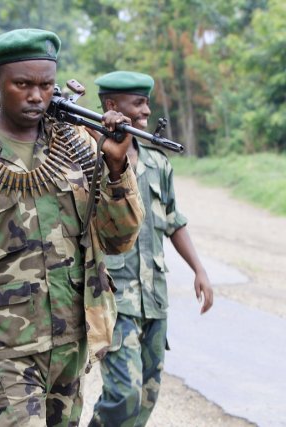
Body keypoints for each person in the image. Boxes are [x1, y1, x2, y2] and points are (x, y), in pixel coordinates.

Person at [0, 29, 145, 426]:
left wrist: (115, 168)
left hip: (70, 343)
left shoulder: (79, 147)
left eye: (45, 85)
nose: (36, 96)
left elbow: (119, 240)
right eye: (22, 84)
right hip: (3, 348)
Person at [89, 71, 214, 427]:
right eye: (138, 103)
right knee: (123, 393)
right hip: (115, 298)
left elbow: (174, 220)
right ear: (112, 106)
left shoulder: (159, 163)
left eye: (146, 102)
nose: (146, 110)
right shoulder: (92, 159)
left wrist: (199, 270)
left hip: (153, 297)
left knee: (147, 394)